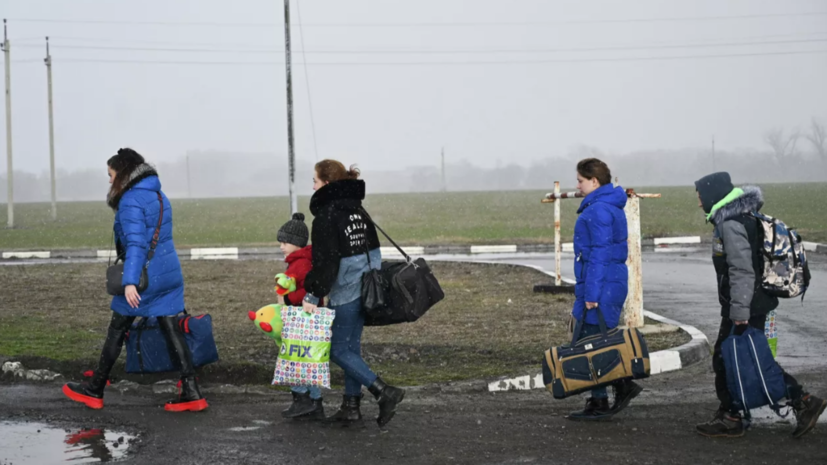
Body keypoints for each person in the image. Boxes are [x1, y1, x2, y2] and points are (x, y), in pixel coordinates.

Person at [62, 148, 207, 412]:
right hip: (169, 273)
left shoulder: (130, 201)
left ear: (123, 173)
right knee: (171, 328)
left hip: (145, 278)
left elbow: (137, 244)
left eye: (111, 174)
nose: (109, 180)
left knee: (117, 328)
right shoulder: (160, 196)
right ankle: (191, 391)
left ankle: (95, 389)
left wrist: (130, 282)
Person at [694, 172, 825, 438]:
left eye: (700, 196)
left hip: (745, 305)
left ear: (712, 194)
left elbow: (741, 270)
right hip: (753, 301)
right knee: (742, 359)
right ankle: (734, 413)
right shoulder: (742, 216)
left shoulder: (730, 223)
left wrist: (739, 311)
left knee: (735, 360)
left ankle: (798, 402)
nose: (699, 202)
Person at [301, 159, 405, 427]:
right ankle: (350, 407)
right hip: (368, 290)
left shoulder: (326, 215)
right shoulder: (358, 211)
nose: (312, 186)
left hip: (346, 292)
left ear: (326, 183)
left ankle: (383, 391)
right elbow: (374, 252)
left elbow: (326, 262)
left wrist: (313, 295)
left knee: (337, 350)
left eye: (314, 180)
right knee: (351, 349)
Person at [567, 158, 642, 421]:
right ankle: (613, 390)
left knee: (592, 343)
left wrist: (591, 295)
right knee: (598, 340)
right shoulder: (608, 206)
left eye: (580, 180)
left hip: (602, 284)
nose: (577, 185)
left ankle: (603, 398)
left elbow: (599, 255)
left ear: (594, 181)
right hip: (610, 282)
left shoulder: (598, 210)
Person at [274, 212, 325, 420]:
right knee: (308, 362)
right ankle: (315, 402)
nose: (281, 246)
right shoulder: (302, 260)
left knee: (295, 360)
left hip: (301, 317)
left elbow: (306, 291)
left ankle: (301, 399)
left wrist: (286, 299)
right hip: (307, 318)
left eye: (285, 242)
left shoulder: (301, 264)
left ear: (297, 243)